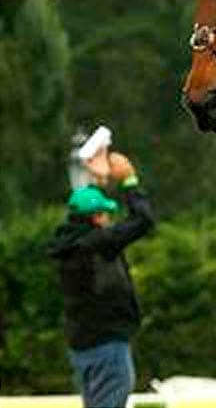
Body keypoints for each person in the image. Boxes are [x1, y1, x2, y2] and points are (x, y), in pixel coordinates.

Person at [47, 143, 155, 408]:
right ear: (96, 218)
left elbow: (90, 207)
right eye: (106, 214)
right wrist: (129, 180)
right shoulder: (96, 243)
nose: (109, 220)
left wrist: (98, 181)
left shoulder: (70, 245)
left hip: (82, 346)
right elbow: (143, 220)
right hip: (107, 342)